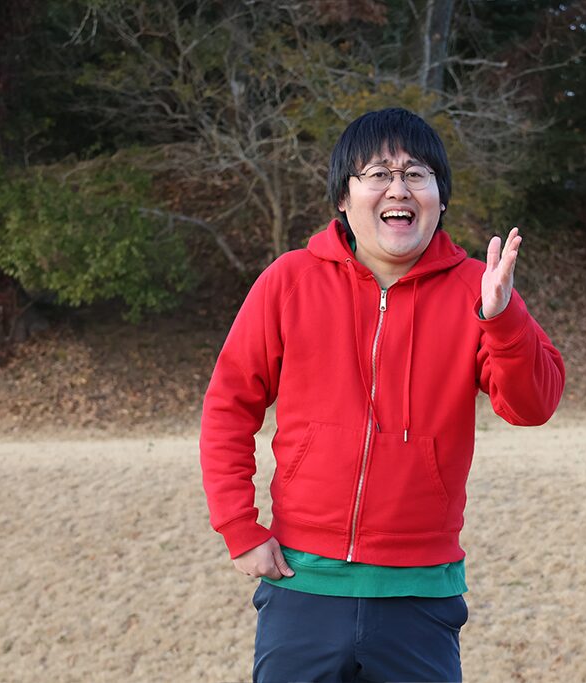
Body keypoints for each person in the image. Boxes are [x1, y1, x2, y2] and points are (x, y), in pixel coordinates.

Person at [200, 107, 565, 682]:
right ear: (343, 198)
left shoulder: (478, 289)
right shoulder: (290, 280)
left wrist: (503, 319)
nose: (399, 188)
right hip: (303, 581)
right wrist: (238, 527)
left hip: (420, 590)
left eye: (417, 174)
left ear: (440, 199)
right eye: (377, 174)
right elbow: (228, 406)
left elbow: (533, 406)